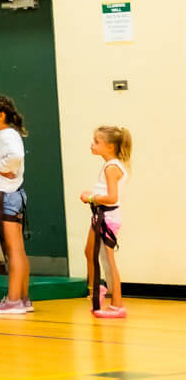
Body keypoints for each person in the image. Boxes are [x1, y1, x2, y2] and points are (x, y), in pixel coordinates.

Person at [0, 96, 30, 314]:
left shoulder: (7, 136)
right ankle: (23, 298)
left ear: (1, 115)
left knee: (13, 250)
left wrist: (1, 168)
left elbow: (16, 156)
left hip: (6, 196)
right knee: (17, 249)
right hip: (11, 195)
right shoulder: (6, 135)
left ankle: (13, 300)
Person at [79, 126, 131, 319]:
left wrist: (90, 197)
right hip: (100, 216)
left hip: (107, 217)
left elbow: (112, 197)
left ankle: (118, 304)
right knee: (89, 251)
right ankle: (96, 288)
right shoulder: (109, 165)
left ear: (110, 146)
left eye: (97, 142)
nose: (92, 145)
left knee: (108, 261)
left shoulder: (112, 168)